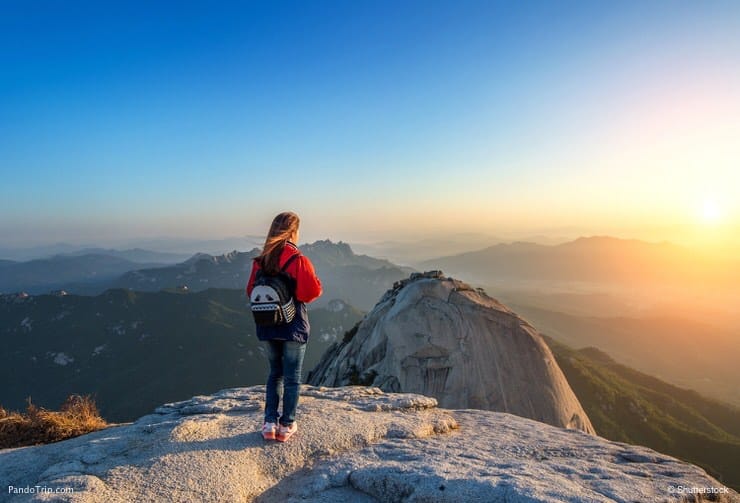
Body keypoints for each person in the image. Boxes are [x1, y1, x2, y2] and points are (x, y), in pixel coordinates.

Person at [246, 211, 322, 442]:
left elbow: (251, 291)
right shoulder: (297, 259)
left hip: (267, 325)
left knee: (274, 374)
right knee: (292, 377)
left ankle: (269, 423)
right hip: (292, 327)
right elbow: (310, 292)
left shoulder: (261, 261)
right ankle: (286, 425)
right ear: (293, 232)